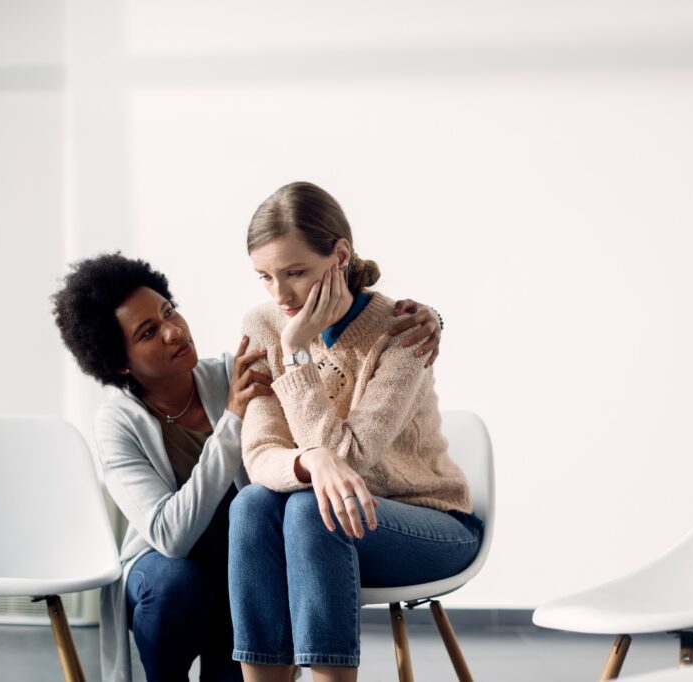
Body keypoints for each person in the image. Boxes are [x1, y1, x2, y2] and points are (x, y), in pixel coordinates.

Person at [51, 252, 443, 682]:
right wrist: (232, 421)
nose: (173, 331)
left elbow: (323, 361)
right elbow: (169, 535)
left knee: (254, 522)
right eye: (148, 332)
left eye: (168, 311)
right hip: (169, 569)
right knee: (172, 584)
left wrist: (428, 318)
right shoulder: (117, 422)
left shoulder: (234, 372)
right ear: (120, 362)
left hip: (243, 564)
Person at [230, 182, 483, 682]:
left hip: (428, 522)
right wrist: (311, 461)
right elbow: (260, 453)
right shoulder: (262, 324)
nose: (281, 295)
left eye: (295, 273)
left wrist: (298, 351)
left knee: (310, 507)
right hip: (334, 519)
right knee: (253, 505)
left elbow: (353, 458)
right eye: (265, 277)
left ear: (339, 255)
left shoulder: (403, 330)